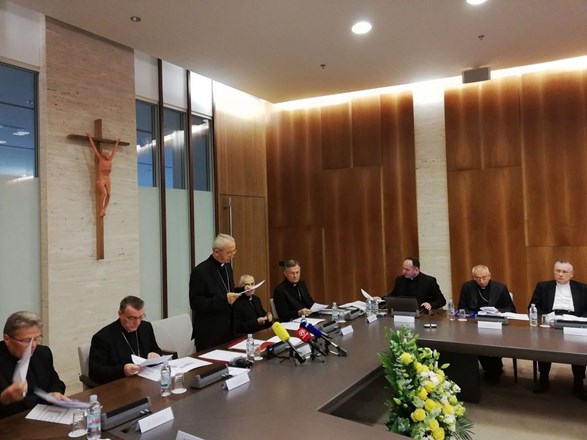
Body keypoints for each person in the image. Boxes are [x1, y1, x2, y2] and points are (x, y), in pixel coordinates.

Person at [528, 260, 587, 399]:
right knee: (544, 345)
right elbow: (533, 307)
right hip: (550, 322)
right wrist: (545, 318)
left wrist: (579, 321)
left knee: (578, 349)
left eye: (564, 271)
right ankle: (543, 380)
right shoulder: (543, 287)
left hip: (574, 321)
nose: (560, 274)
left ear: (571, 274)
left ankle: (578, 383)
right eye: (557, 271)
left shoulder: (583, 288)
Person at [0, 311, 68, 418]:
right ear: (7, 339)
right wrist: (4, 399)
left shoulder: (43, 353)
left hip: (44, 417)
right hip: (11, 423)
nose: (33, 345)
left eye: (36, 339)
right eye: (27, 341)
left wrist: (54, 394)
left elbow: (56, 382)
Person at [458, 264, 516, 383]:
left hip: (496, 324)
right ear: (473, 277)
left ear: (489, 275)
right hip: (475, 324)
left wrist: (497, 311)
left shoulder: (500, 287)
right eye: (477, 278)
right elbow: (462, 308)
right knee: (476, 343)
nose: (481, 281)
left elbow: (511, 309)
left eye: (484, 277)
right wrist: (476, 314)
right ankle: (492, 369)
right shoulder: (467, 287)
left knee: (497, 343)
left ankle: (493, 369)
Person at [89, 296, 162, 385]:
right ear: (120, 314)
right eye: (132, 318)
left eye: (140, 317)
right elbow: (95, 373)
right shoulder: (103, 337)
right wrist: (122, 370)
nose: (137, 322)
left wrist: (155, 354)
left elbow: (155, 349)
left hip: (148, 381)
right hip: (120, 385)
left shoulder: (146, 327)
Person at [189, 233, 242, 351]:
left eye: (234, 251)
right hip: (209, 333)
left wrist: (244, 291)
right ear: (217, 252)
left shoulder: (227, 267)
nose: (232, 256)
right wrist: (224, 299)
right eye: (229, 252)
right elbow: (196, 303)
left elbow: (228, 290)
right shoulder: (200, 272)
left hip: (229, 329)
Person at [87, 133, 119, 217]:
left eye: (108, 154)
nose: (108, 155)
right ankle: (101, 210)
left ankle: (104, 209)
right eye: (106, 154)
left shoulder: (110, 160)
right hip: (101, 179)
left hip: (107, 178)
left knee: (109, 194)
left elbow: (114, 151)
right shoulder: (101, 159)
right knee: (104, 193)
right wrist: (90, 138)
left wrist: (117, 143)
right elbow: (94, 149)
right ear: (104, 156)